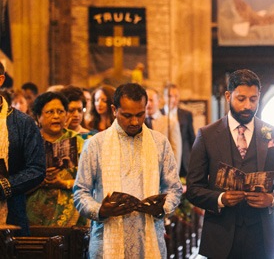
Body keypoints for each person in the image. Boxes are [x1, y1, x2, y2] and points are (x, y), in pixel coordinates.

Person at [186, 69, 274, 259]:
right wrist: (221, 199)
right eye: (241, 99)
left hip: (262, 237)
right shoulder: (207, 135)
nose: (247, 106)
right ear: (228, 96)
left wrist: (271, 200)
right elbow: (194, 188)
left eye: (253, 100)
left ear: (259, 97)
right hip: (220, 238)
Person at [73, 83, 183, 258]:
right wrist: (100, 210)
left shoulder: (160, 143)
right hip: (106, 244)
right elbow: (80, 193)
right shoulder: (95, 144)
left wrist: (162, 208)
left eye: (140, 115)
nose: (135, 122)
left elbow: (174, 189)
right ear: (114, 110)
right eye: (127, 115)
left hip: (149, 241)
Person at [26, 91, 87, 226]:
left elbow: (90, 182)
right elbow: (16, 184)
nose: (56, 116)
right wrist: (40, 181)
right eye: (50, 112)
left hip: (72, 217)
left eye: (60, 111)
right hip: (32, 216)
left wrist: (62, 183)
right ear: (38, 117)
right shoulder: (29, 143)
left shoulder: (79, 144)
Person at [0, 63, 46, 235]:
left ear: (1, 80)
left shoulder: (23, 123)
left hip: (11, 215)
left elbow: (37, 169)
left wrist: (4, 186)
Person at [163, 83, 195, 177]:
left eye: (176, 96)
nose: (173, 99)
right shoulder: (158, 115)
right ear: (164, 97)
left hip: (183, 161)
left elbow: (191, 139)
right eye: (170, 96)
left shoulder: (186, 114)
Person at [145, 88, 182, 168]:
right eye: (146, 100)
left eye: (151, 100)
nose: (148, 103)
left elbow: (175, 152)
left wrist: (173, 176)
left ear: (158, 101)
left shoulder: (170, 123)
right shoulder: (138, 123)